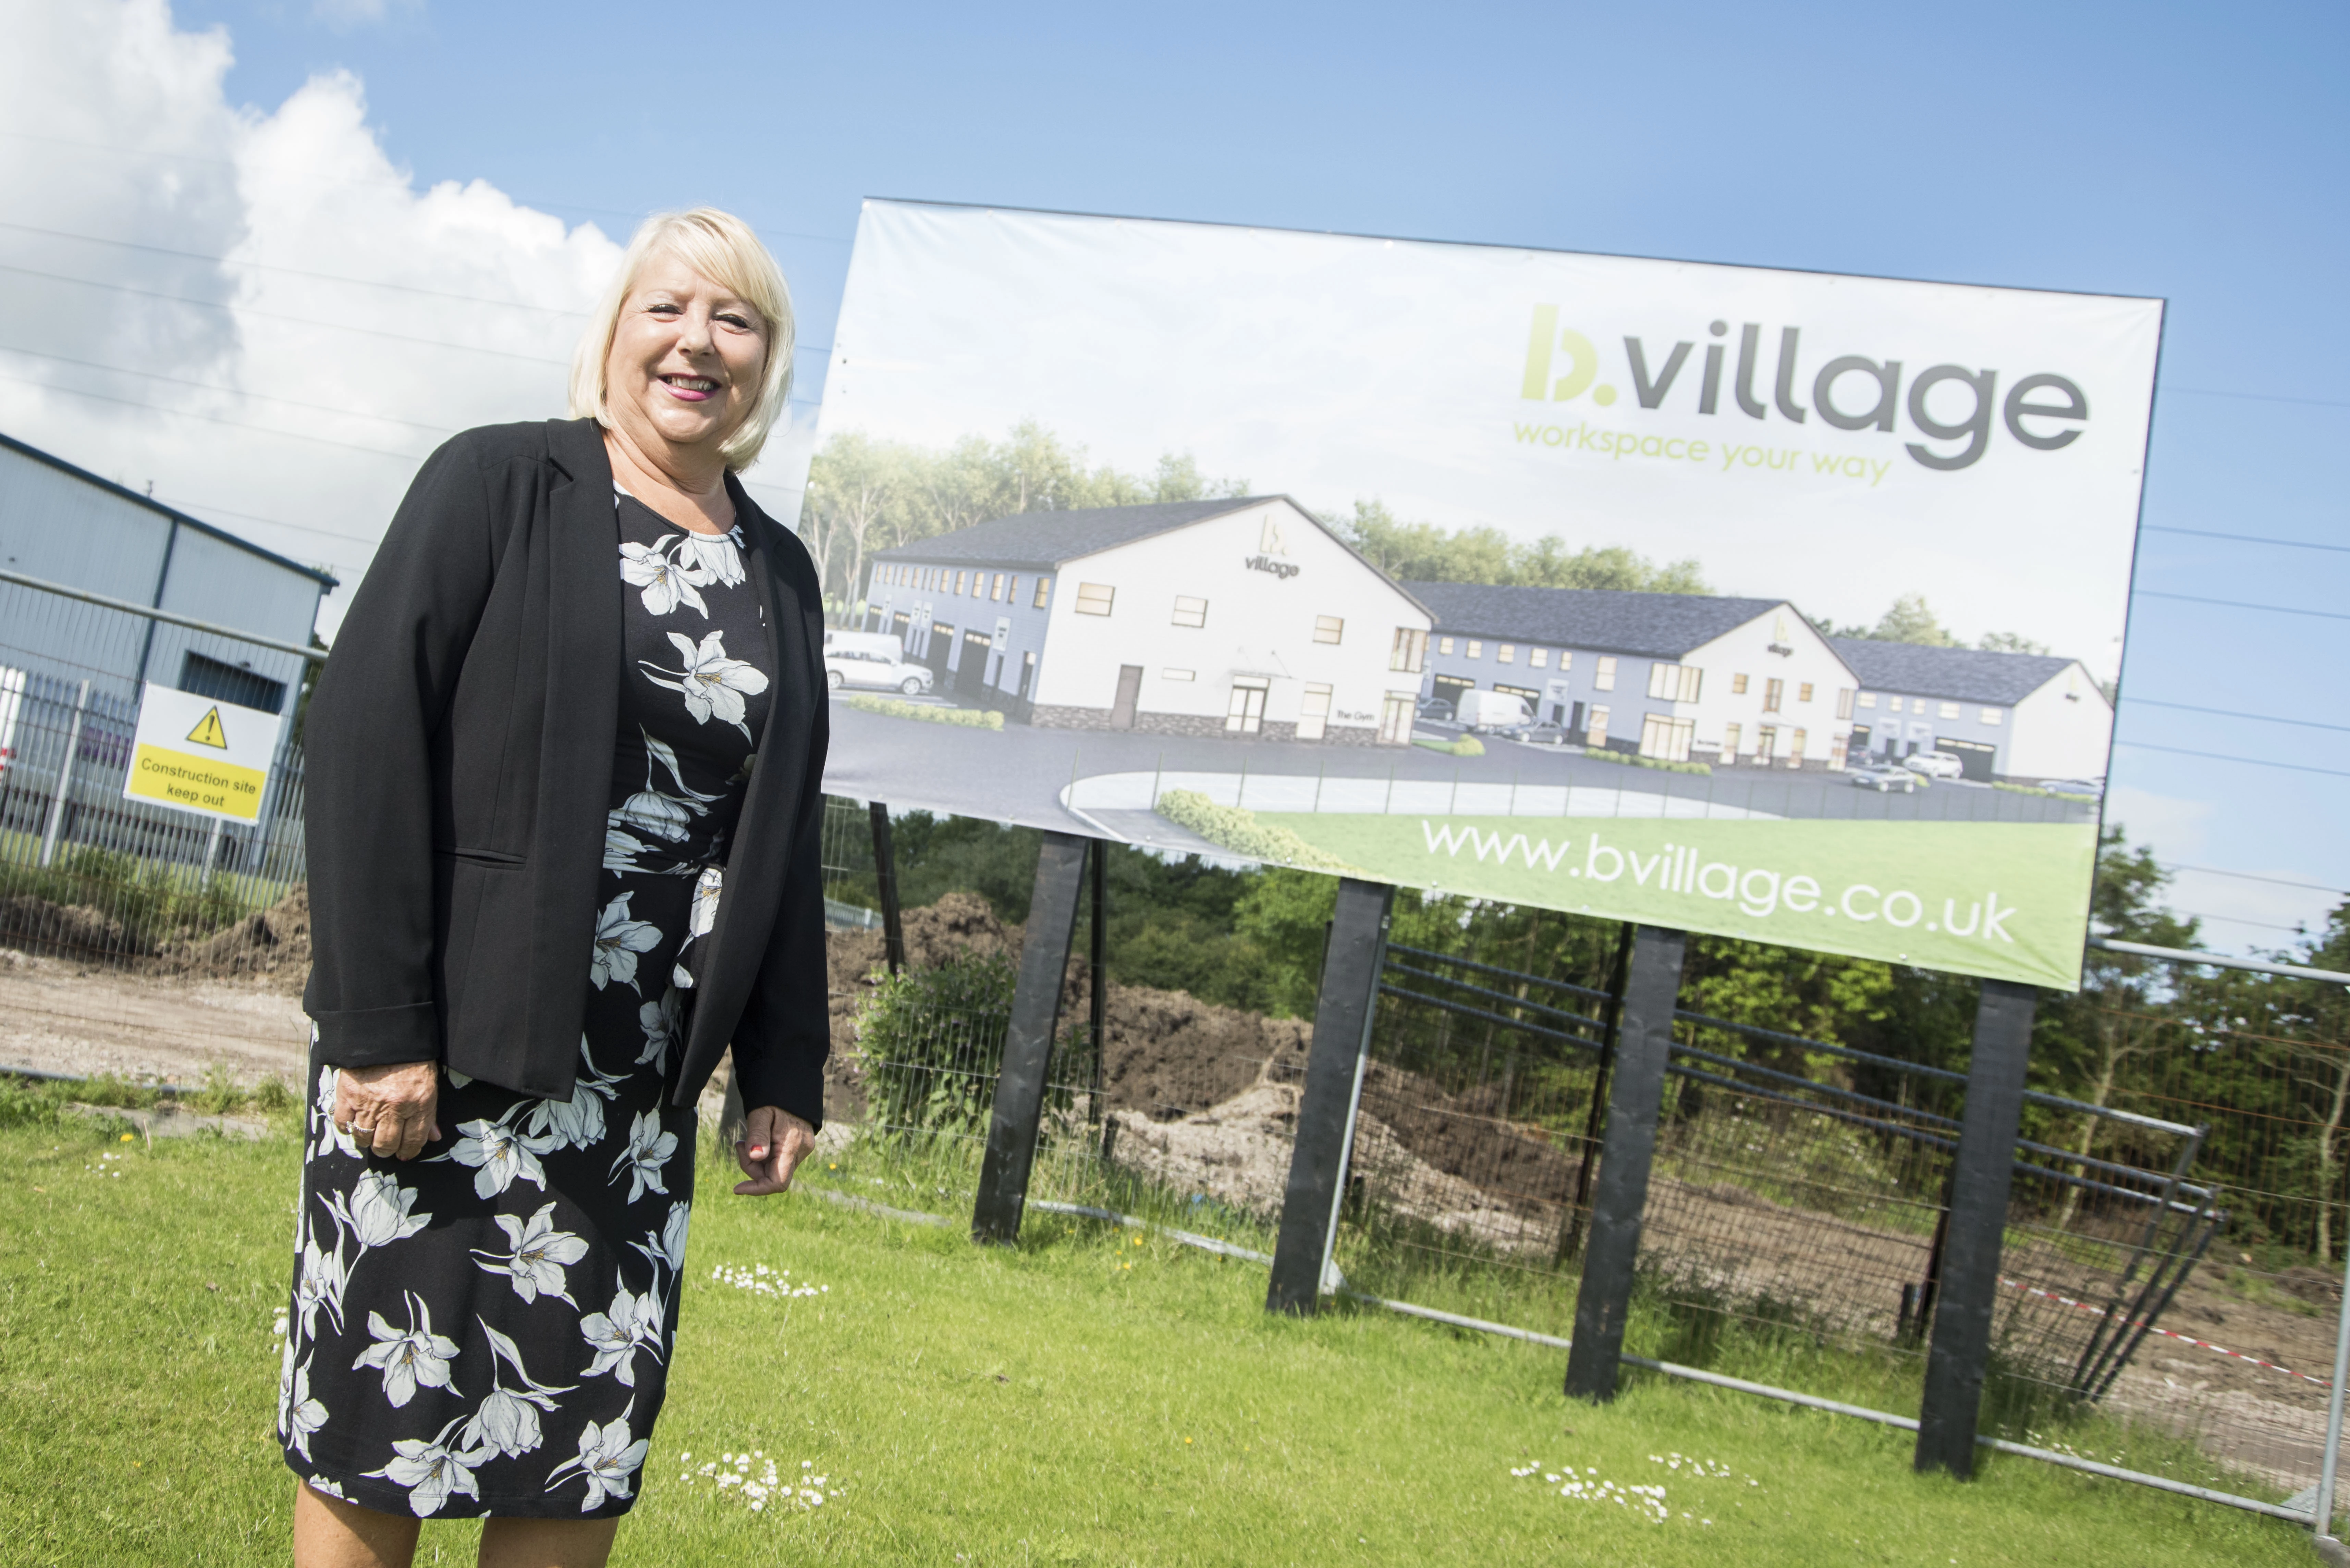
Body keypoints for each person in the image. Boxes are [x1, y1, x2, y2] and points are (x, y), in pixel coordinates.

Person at [281, 208, 830, 1568]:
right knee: (384, 1425)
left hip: (634, 1100)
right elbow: (363, 735)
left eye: (737, 319)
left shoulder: (781, 573)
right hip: (446, 1060)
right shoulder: (495, 483)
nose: (699, 343)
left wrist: (783, 1065)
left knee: (573, 1454)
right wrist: (379, 1028)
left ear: (767, 361)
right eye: (670, 309)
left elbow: (778, 838)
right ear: (615, 333)